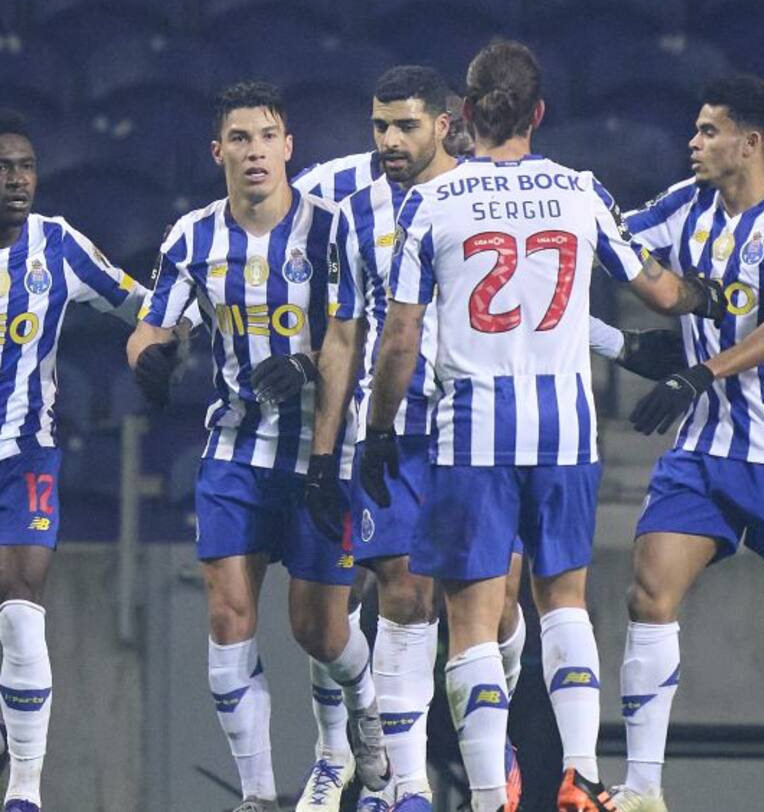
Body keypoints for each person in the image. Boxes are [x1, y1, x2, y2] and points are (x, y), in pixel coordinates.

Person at [352, 39, 727, 812]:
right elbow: (657, 291)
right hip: (566, 430)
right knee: (564, 600)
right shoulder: (579, 190)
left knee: (474, 620)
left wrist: (380, 430)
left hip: (471, 434)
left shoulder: (433, 203)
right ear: (540, 112)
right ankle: (583, 773)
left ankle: (492, 796)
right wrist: (708, 298)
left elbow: (399, 337)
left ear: (461, 117)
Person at [125, 82, 390, 812]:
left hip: (322, 452)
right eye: (239, 139)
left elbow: (352, 337)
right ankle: (258, 796)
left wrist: (304, 369)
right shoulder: (193, 236)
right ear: (219, 153)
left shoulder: (333, 230)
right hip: (237, 451)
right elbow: (153, 325)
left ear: (288, 147)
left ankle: (365, 704)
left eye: (267, 135)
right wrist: (148, 358)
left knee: (319, 630)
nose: (254, 151)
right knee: (227, 615)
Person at [605, 74, 764, 812]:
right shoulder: (683, 206)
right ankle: (645, 787)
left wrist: (696, 373)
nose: (694, 142)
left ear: (750, 143)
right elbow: (608, 239)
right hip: (702, 448)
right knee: (649, 593)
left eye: (709, 131)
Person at [310, 65, 525, 811]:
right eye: (379, 127)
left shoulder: (489, 196)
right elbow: (345, 333)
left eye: (406, 125)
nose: (390, 141)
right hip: (393, 431)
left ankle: (496, 746)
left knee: (492, 607)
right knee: (403, 591)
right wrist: (325, 449)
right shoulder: (350, 208)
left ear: (446, 124)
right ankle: (408, 789)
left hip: (484, 423)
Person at [0, 110, 151, 812]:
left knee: (20, 609)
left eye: (25, 166)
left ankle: (24, 791)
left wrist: (164, 337)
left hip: (26, 452)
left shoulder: (56, 247)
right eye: (3, 168)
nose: (15, 180)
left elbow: (139, 304)